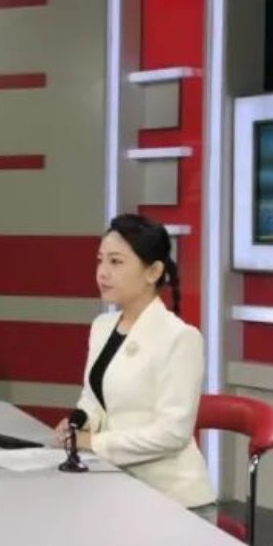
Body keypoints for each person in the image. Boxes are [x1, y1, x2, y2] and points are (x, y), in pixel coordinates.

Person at [53, 213, 212, 507]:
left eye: (116, 262)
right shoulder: (102, 327)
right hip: (111, 485)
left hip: (172, 498)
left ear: (153, 272)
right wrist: (77, 424)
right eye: (99, 261)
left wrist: (93, 443)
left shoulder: (180, 337)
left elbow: (172, 434)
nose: (102, 273)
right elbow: (93, 400)